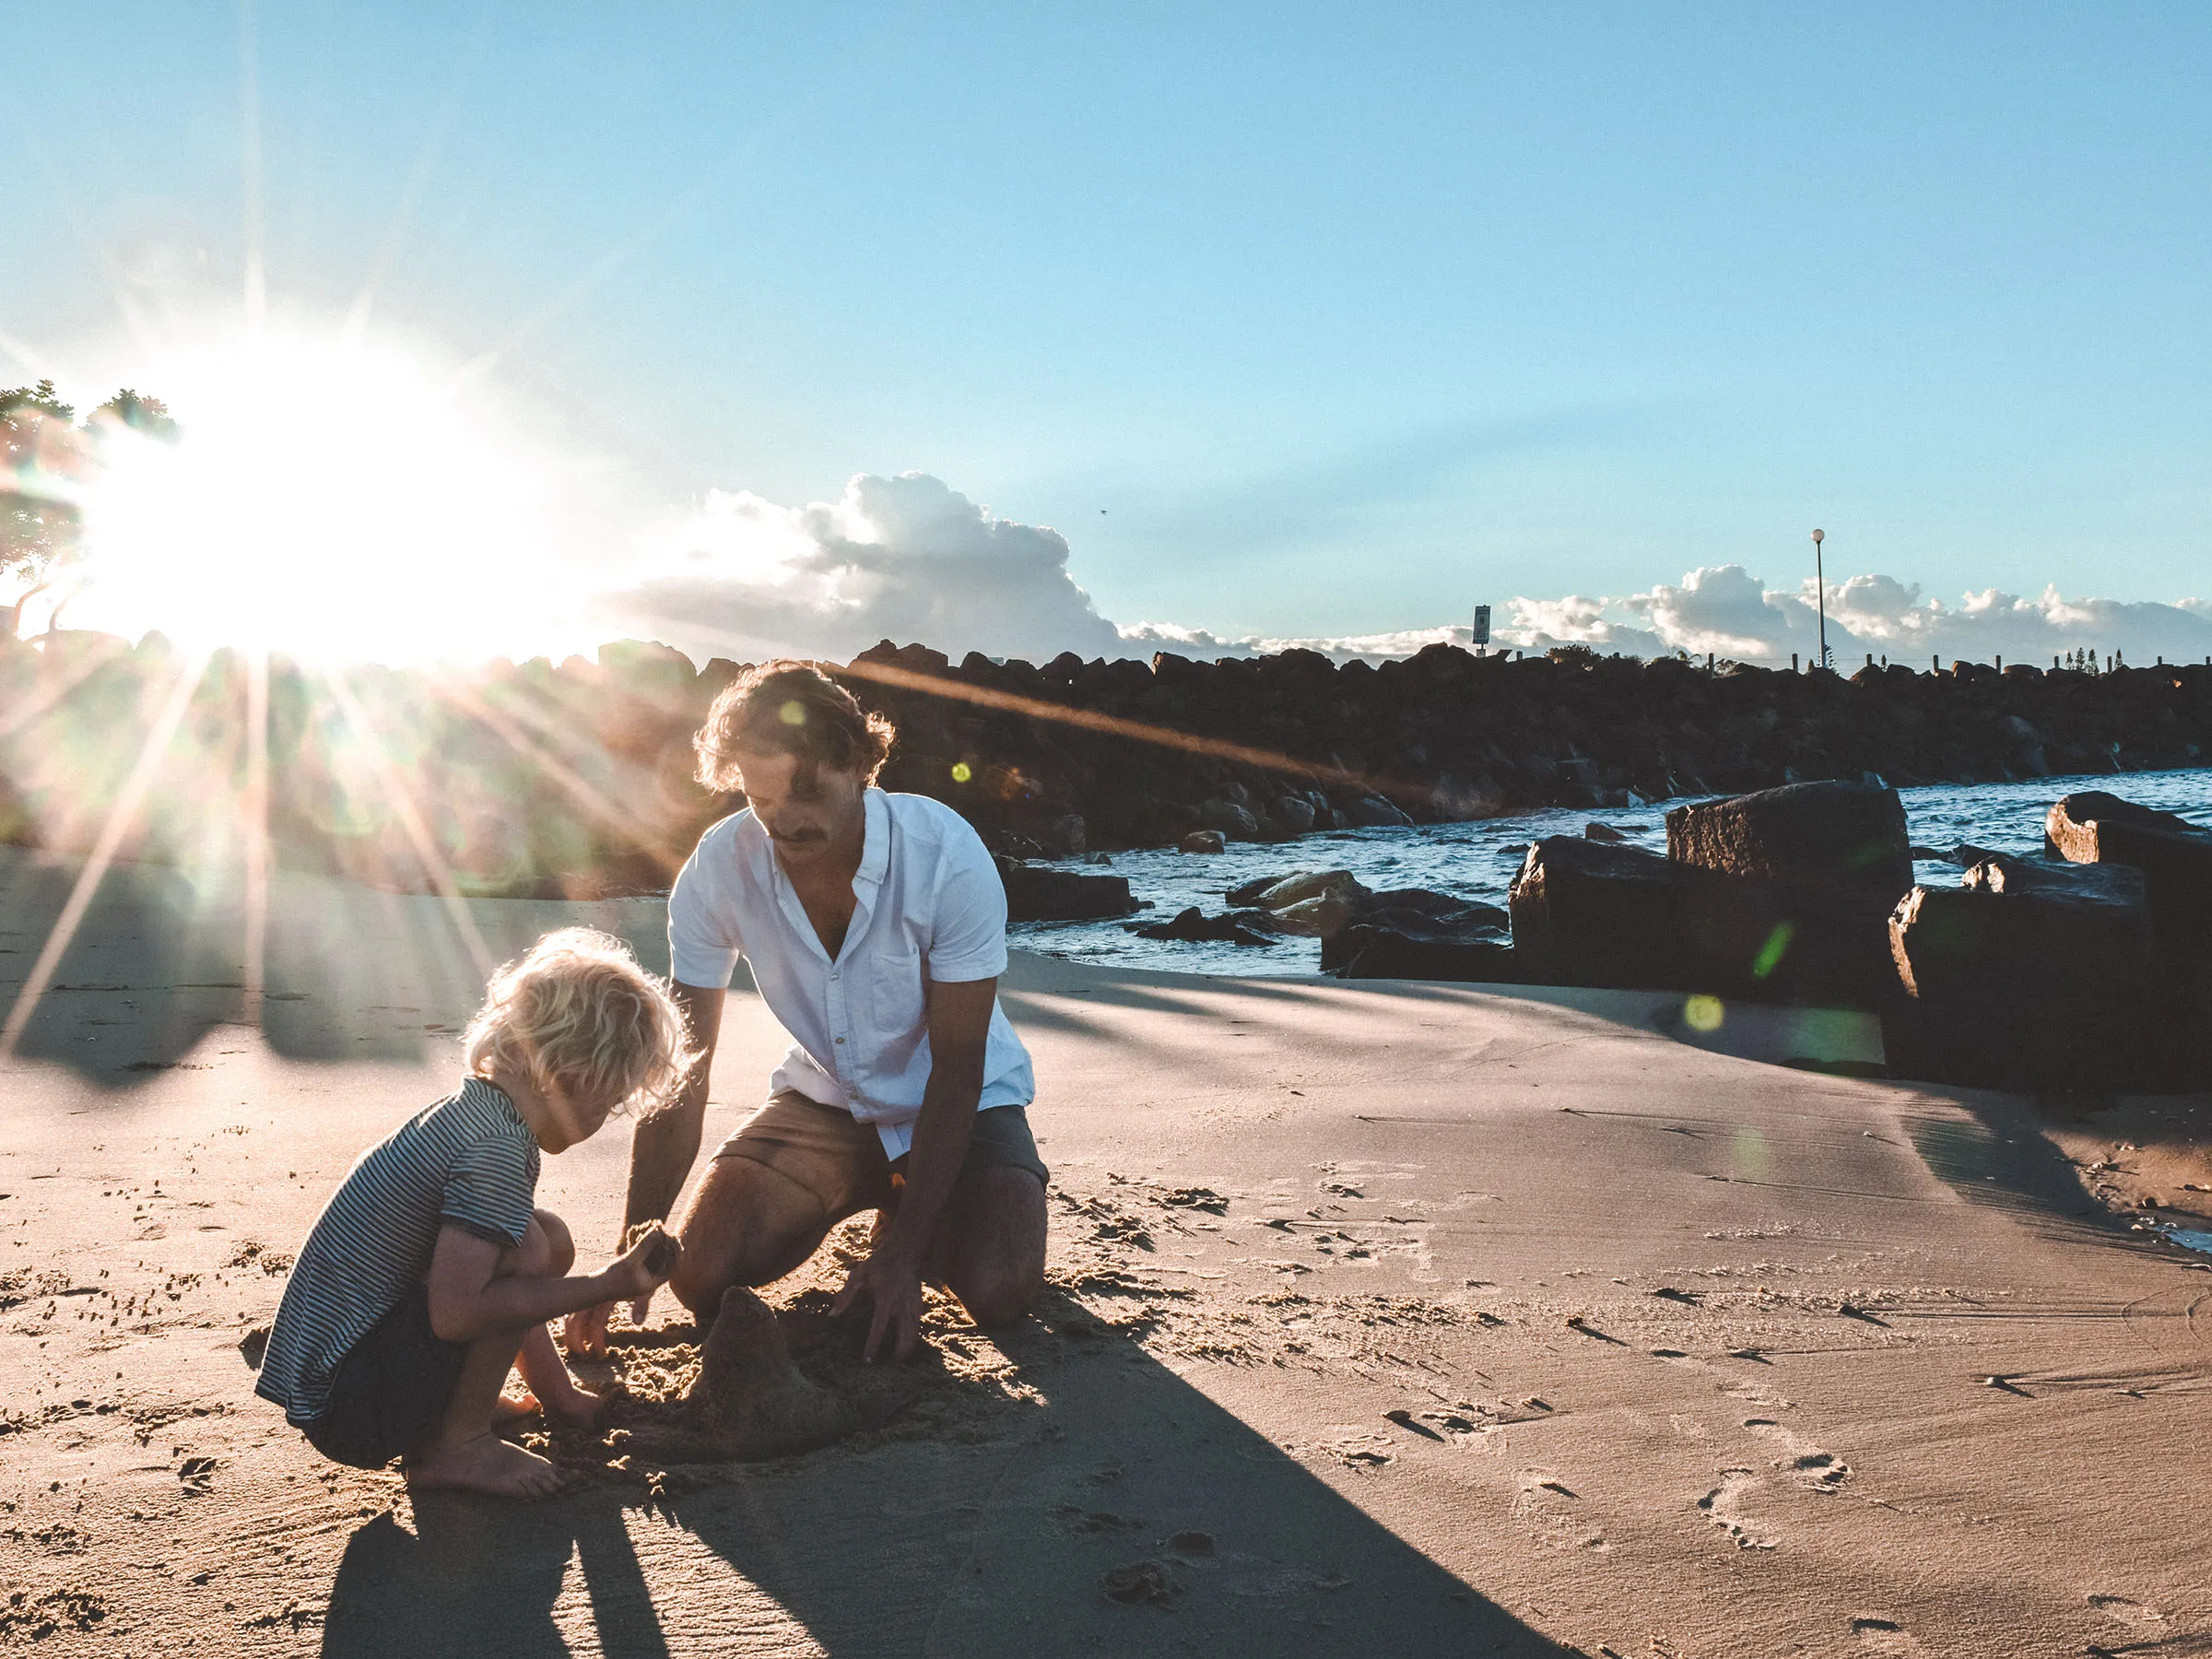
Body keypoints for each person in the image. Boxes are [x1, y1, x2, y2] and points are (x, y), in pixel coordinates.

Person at [566, 660, 1048, 1366]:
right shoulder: (718, 869)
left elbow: (957, 1065)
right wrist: (633, 1242)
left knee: (998, 1289)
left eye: (805, 788)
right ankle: (885, 1188)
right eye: (762, 799)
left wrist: (904, 1255)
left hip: (958, 1104)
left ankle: (922, 1205)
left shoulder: (945, 854)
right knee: (699, 1274)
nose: (786, 820)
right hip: (827, 1100)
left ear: (856, 763)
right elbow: (685, 1070)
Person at [255, 928, 695, 1499]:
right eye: (610, 1104)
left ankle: (507, 1403)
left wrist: (557, 1395)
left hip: (338, 1373)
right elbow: (458, 1314)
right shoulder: (498, 1149)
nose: (604, 1120)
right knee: (531, 1250)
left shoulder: (474, 1114)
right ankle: (457, 1446)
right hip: (350, 1402)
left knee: (543, 1236)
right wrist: (608, 1283)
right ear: (575, 1079)